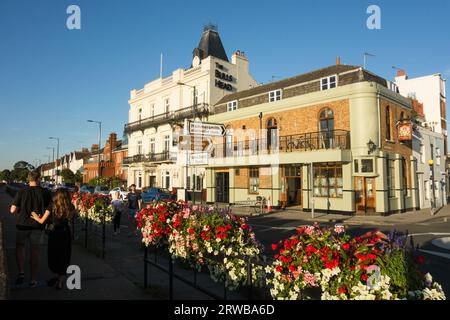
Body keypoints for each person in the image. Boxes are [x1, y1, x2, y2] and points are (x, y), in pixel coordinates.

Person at [10, 170, 52, 287]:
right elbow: (50, 208)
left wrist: (20, 210)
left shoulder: (21, 191)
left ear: (29, 179)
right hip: (37, 226)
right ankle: (33, 279)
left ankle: (21, 272)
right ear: (38, 179)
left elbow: (13, 210)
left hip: (22, 225)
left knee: (20, 247)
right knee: (35, 252)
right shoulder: (45, 192)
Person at [31, 188, 75, 290]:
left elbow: (42, 221)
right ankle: (60, 282)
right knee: (64, 256)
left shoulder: (51, 206)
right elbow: (70, 218)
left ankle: (56, 275)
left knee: (54, 255)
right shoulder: (71, 207)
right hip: (65, 233)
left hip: (55, 233)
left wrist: (34, 216)